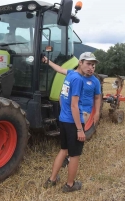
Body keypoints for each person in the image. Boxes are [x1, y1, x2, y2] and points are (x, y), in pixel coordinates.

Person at [43, 52, 98, 193]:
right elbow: (74, 105)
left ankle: (52, 180)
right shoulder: (79, 80)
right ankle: (70, 185)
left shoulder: (70, 75)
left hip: (64, 119)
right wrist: (80, 129)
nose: (91, 67)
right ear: (80, 62)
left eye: (93, 65)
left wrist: (47, 61)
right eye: (88, 64)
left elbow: (62, 98)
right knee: (74, 155)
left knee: (63, 150)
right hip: (74, 122)